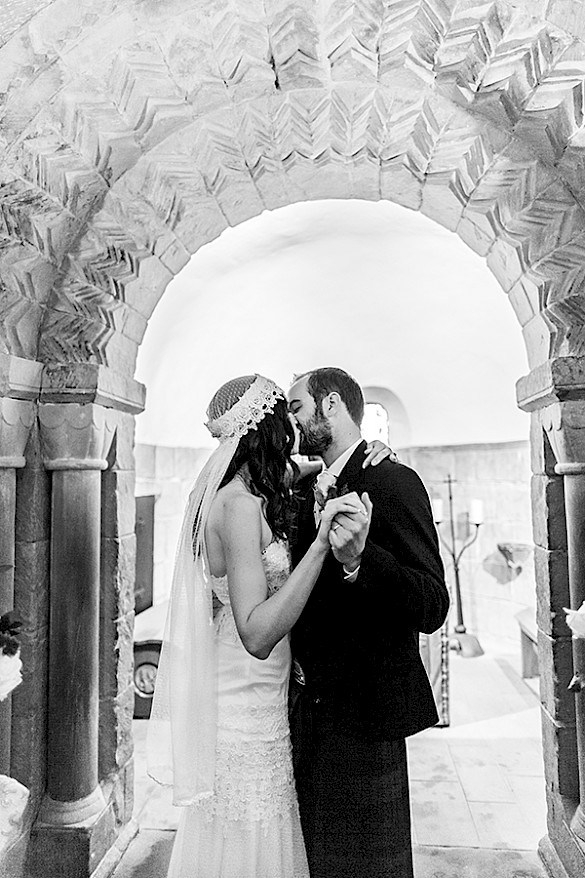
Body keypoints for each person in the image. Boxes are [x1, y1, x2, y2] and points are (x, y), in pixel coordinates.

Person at [146, 374, 388, 878]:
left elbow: (312, 468)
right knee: (245, 828)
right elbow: (256, 634)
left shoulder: (250, 492)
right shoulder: (237, 506)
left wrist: (371, 452)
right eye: (288, 418)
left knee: (266, 821)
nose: (296, 430)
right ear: (268, 429)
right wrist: (321, 547)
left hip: (263, 698)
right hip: (243, 694)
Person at [287, 367, 450, 878]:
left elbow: (432, 604)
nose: (292, 422)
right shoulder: (307, 485)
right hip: (306, 714)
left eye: (298, 408)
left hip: (365, 718)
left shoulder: (394, 481)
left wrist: (362, 561)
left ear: (330, 405)